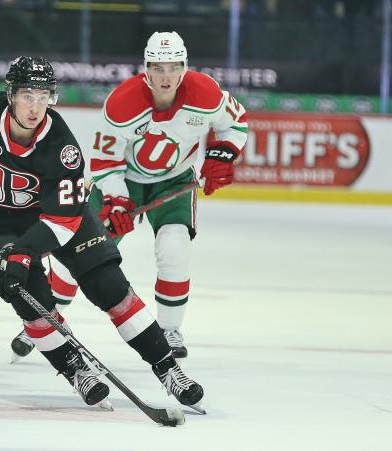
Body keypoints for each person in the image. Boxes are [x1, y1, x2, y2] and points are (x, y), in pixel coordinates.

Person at [0, 56, 204, 409]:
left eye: (44, 97)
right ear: (10, 94)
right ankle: (74, 368)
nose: (36, 107)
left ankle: (167, 368)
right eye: (28, 96)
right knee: (29, 297)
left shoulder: (63, 148)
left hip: (59, 219)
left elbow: (62, 221)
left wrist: (23, 254)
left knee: (109, 286)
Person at [20, 31, 248, 359]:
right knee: (79, 254)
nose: (165, 76)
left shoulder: (206, 93)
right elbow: (104, 160)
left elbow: (236, 121)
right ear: (146, 69)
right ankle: (46, 318)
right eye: (158, 67)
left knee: (174, 248)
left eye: (173, 67)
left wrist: (223, 154)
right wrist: (117, 200)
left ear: (184, 67)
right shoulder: (123, 102)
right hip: (123, 181)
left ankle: (169, 329)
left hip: (174, 181)